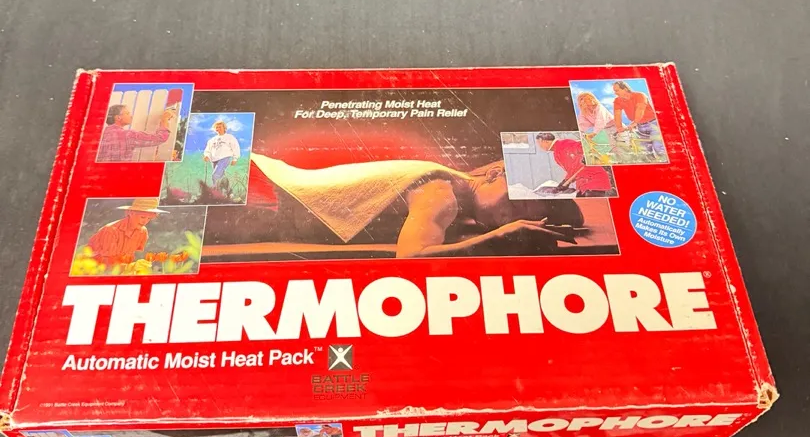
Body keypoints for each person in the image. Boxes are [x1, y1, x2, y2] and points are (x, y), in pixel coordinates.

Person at [204, 155, 585, 258]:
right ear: (495, 174)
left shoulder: (442, 180)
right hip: (258, 194)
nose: (511, 217)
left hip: (259, 191)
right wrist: (502, 236)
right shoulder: (442, 194)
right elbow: (413, 258)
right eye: (519, 202)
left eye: (527, 216)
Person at [87, 197, 167, 266]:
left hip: (124, 270)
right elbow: (107, 262)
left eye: (149, 218)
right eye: (142, 217)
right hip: (95, 269)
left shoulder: (143, 232)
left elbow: (137, 255)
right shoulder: (111, 230)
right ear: (131, 213)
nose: (145, 221)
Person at [535, 133, 614, 198]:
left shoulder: (564, 144)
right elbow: (573, 169)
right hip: (582, 184)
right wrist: (565, 181)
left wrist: (586, 155)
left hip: (594, 180)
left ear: (545, 141)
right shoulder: (556, 154)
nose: (539, 146)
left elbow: (583, 146)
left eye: (539, 143)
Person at [98, 104, 175, 162]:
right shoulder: (128, 135)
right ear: (118, 117)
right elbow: (160, 138)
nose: (131, 116)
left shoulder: (100, 135)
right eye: (127, 113)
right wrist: (165, 119)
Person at [612, 81, 666, 160]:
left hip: (653, 123)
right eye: (614, 91)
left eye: (617, 90)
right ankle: (653, 163)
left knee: (658, 147)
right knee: (646, 151)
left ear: (625, 89)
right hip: (640, 126)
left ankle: (666, 163)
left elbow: (640, 109)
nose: (615, 93)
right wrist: (619, 127)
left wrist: (634, 122)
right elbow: (617, 115)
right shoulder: (617, 101)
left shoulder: (640, 95)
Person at [203, 121, 241, 186]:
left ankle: (215, 189)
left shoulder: (230, 137)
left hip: (225, 158)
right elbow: (208, 150)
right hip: (214, 160)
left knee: (215, 175)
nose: (218, 129)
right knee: (221, 177)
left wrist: (235, 159)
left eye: (220, 127)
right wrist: (207, 156)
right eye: (216, 127)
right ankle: (225, 189)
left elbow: (235, 147)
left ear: (224, 128)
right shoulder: (212, 140)